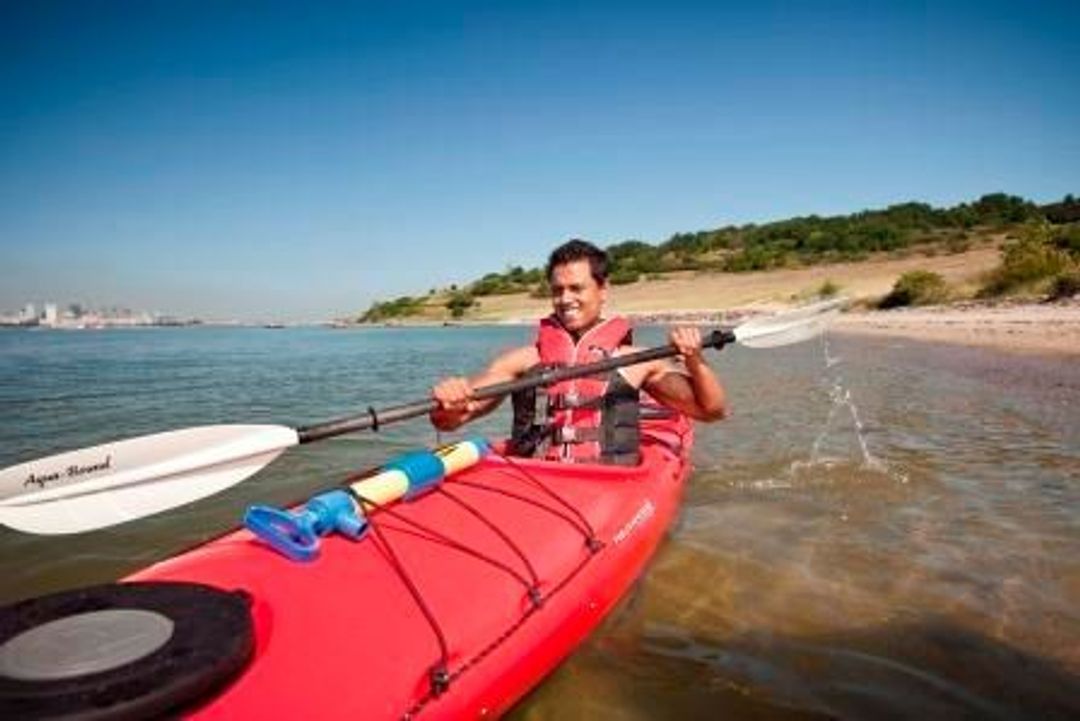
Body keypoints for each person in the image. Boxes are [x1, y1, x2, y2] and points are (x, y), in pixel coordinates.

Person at [430, 239, 727, 465]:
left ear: (603, 289)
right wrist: (452, 402)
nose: (565, 299)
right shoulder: (521, 360)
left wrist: (694, 359)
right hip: (536, 480)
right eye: (557, 290)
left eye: (576, 288)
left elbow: (711, 411)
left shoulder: (637, 361)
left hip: (609, 486)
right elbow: (452, 420)